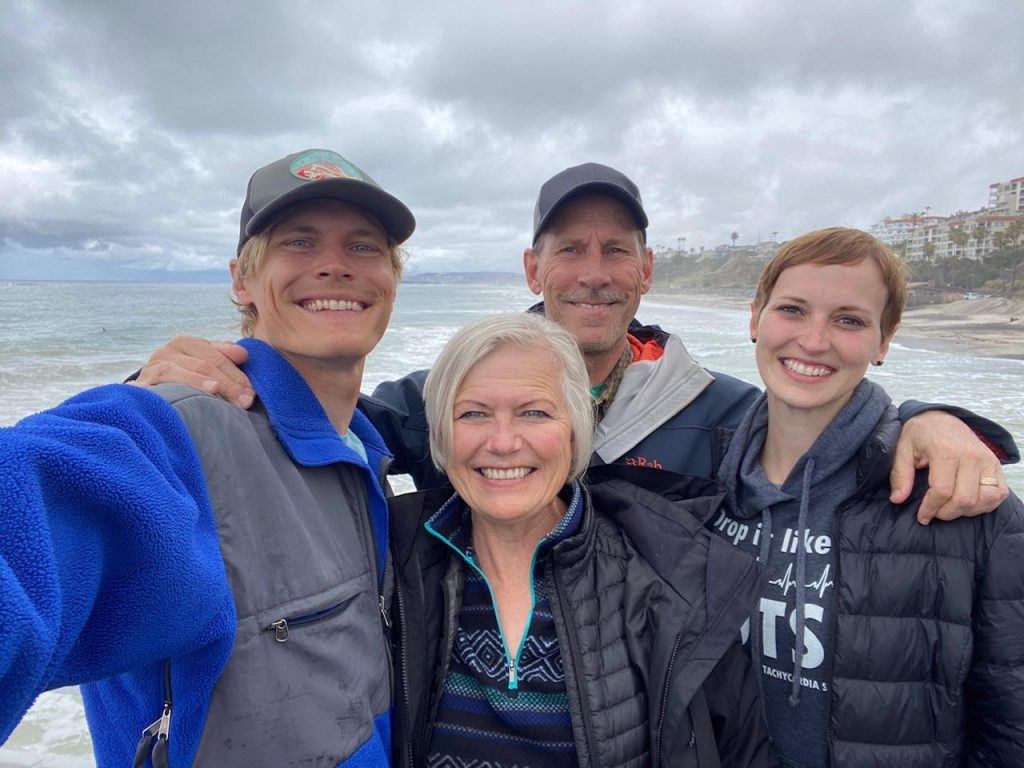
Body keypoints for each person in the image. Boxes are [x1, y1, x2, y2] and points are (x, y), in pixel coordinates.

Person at [133, 163, 1016, 522]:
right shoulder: (451, 396)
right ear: (534, 267)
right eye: (570, 250)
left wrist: (925, 420)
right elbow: (309, 428)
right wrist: (166, 384)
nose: (593, 273)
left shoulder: (725, 414)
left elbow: (825, 445)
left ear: (646, 272)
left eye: (615, 252)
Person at [0, 148, 414, 766]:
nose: (334, 266)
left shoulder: (375, 453)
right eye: (299, 243)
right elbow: (33, 507)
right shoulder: (171, 436)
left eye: (363, 247)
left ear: (391, 277)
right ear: (241, 280)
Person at [389, 312, 774, 767]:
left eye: (534, 412)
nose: (504, 442)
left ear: (574, 430)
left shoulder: (673, 581)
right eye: (473, 413)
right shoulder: (390, 557)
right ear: (440, 434)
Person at [713, 227, 1024, 766]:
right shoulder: (708, 482)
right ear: (755, 317)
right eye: (792, 310)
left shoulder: (962, 502)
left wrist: (929, 417)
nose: (813, 341)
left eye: (848, 320)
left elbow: (1012, 723)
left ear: (884, 341)